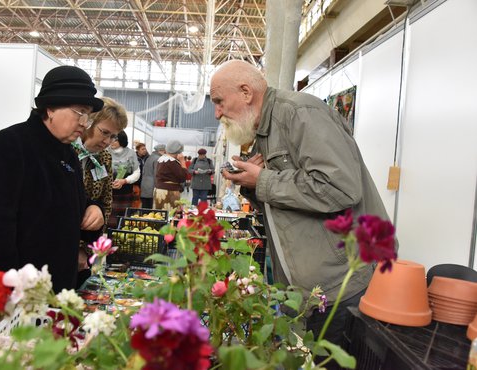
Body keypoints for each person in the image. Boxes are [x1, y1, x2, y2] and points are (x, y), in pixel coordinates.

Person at [212, 60, 393, 353]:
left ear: (246, 92)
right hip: (307, 289)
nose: (217, 112)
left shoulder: (299, 113)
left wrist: (265, 180)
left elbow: (340, 188)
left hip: (341, 285)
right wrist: (252, 185)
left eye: (219, 101)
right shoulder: (264, 132)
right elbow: (291, 200)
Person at [0, 65, 105, 294]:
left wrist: (93, 209)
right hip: (19, 298)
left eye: (88, 115)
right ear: (50, 108)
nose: (84, 122)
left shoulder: (67, 153)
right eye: (80, 112)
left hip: (56, 290)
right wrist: (3, 295)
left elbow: (71, 204)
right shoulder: (10, 146)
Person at [72, 97, 128, 287]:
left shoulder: (104, 158)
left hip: (85, 248)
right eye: (104, 132)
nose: (107, 141)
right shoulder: (65, 151)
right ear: (88, 122)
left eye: (113, 136)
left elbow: (106, 202)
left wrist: (87, 249)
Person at [107, 130, 139, 229]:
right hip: (107, 193)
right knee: (107, 221)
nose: (111, 142)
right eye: (110, 139)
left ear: (122, 140)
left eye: (115, 140)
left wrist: (124, 181)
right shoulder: (105, 151)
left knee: (121, 222)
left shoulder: (131, 153)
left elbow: (137, 172)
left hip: (124, 193)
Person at [153, 140, 188, 212]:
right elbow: (183, 177)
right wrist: (182, 162)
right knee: (170, 215)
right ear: (178, 151)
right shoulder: (172, 162)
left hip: (159, 190)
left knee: (159, 214)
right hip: (169, 192)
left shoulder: (162, 159)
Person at [140, 144, 166, 209]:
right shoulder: (158, 158)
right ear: (160, 151)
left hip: (145, 185)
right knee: (150, 209)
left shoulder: (150, 157)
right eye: (164, 152)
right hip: (152, 187)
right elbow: (157, 174)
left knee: (145, 207)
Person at [133, 142, 148, 208]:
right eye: (142, 149)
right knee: (135, 199)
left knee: (142, 200)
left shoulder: (147, 158)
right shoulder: (134, 158)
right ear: (138, 150)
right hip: (136, 183)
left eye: (145, 149)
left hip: (144, 183)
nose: (145, 150)